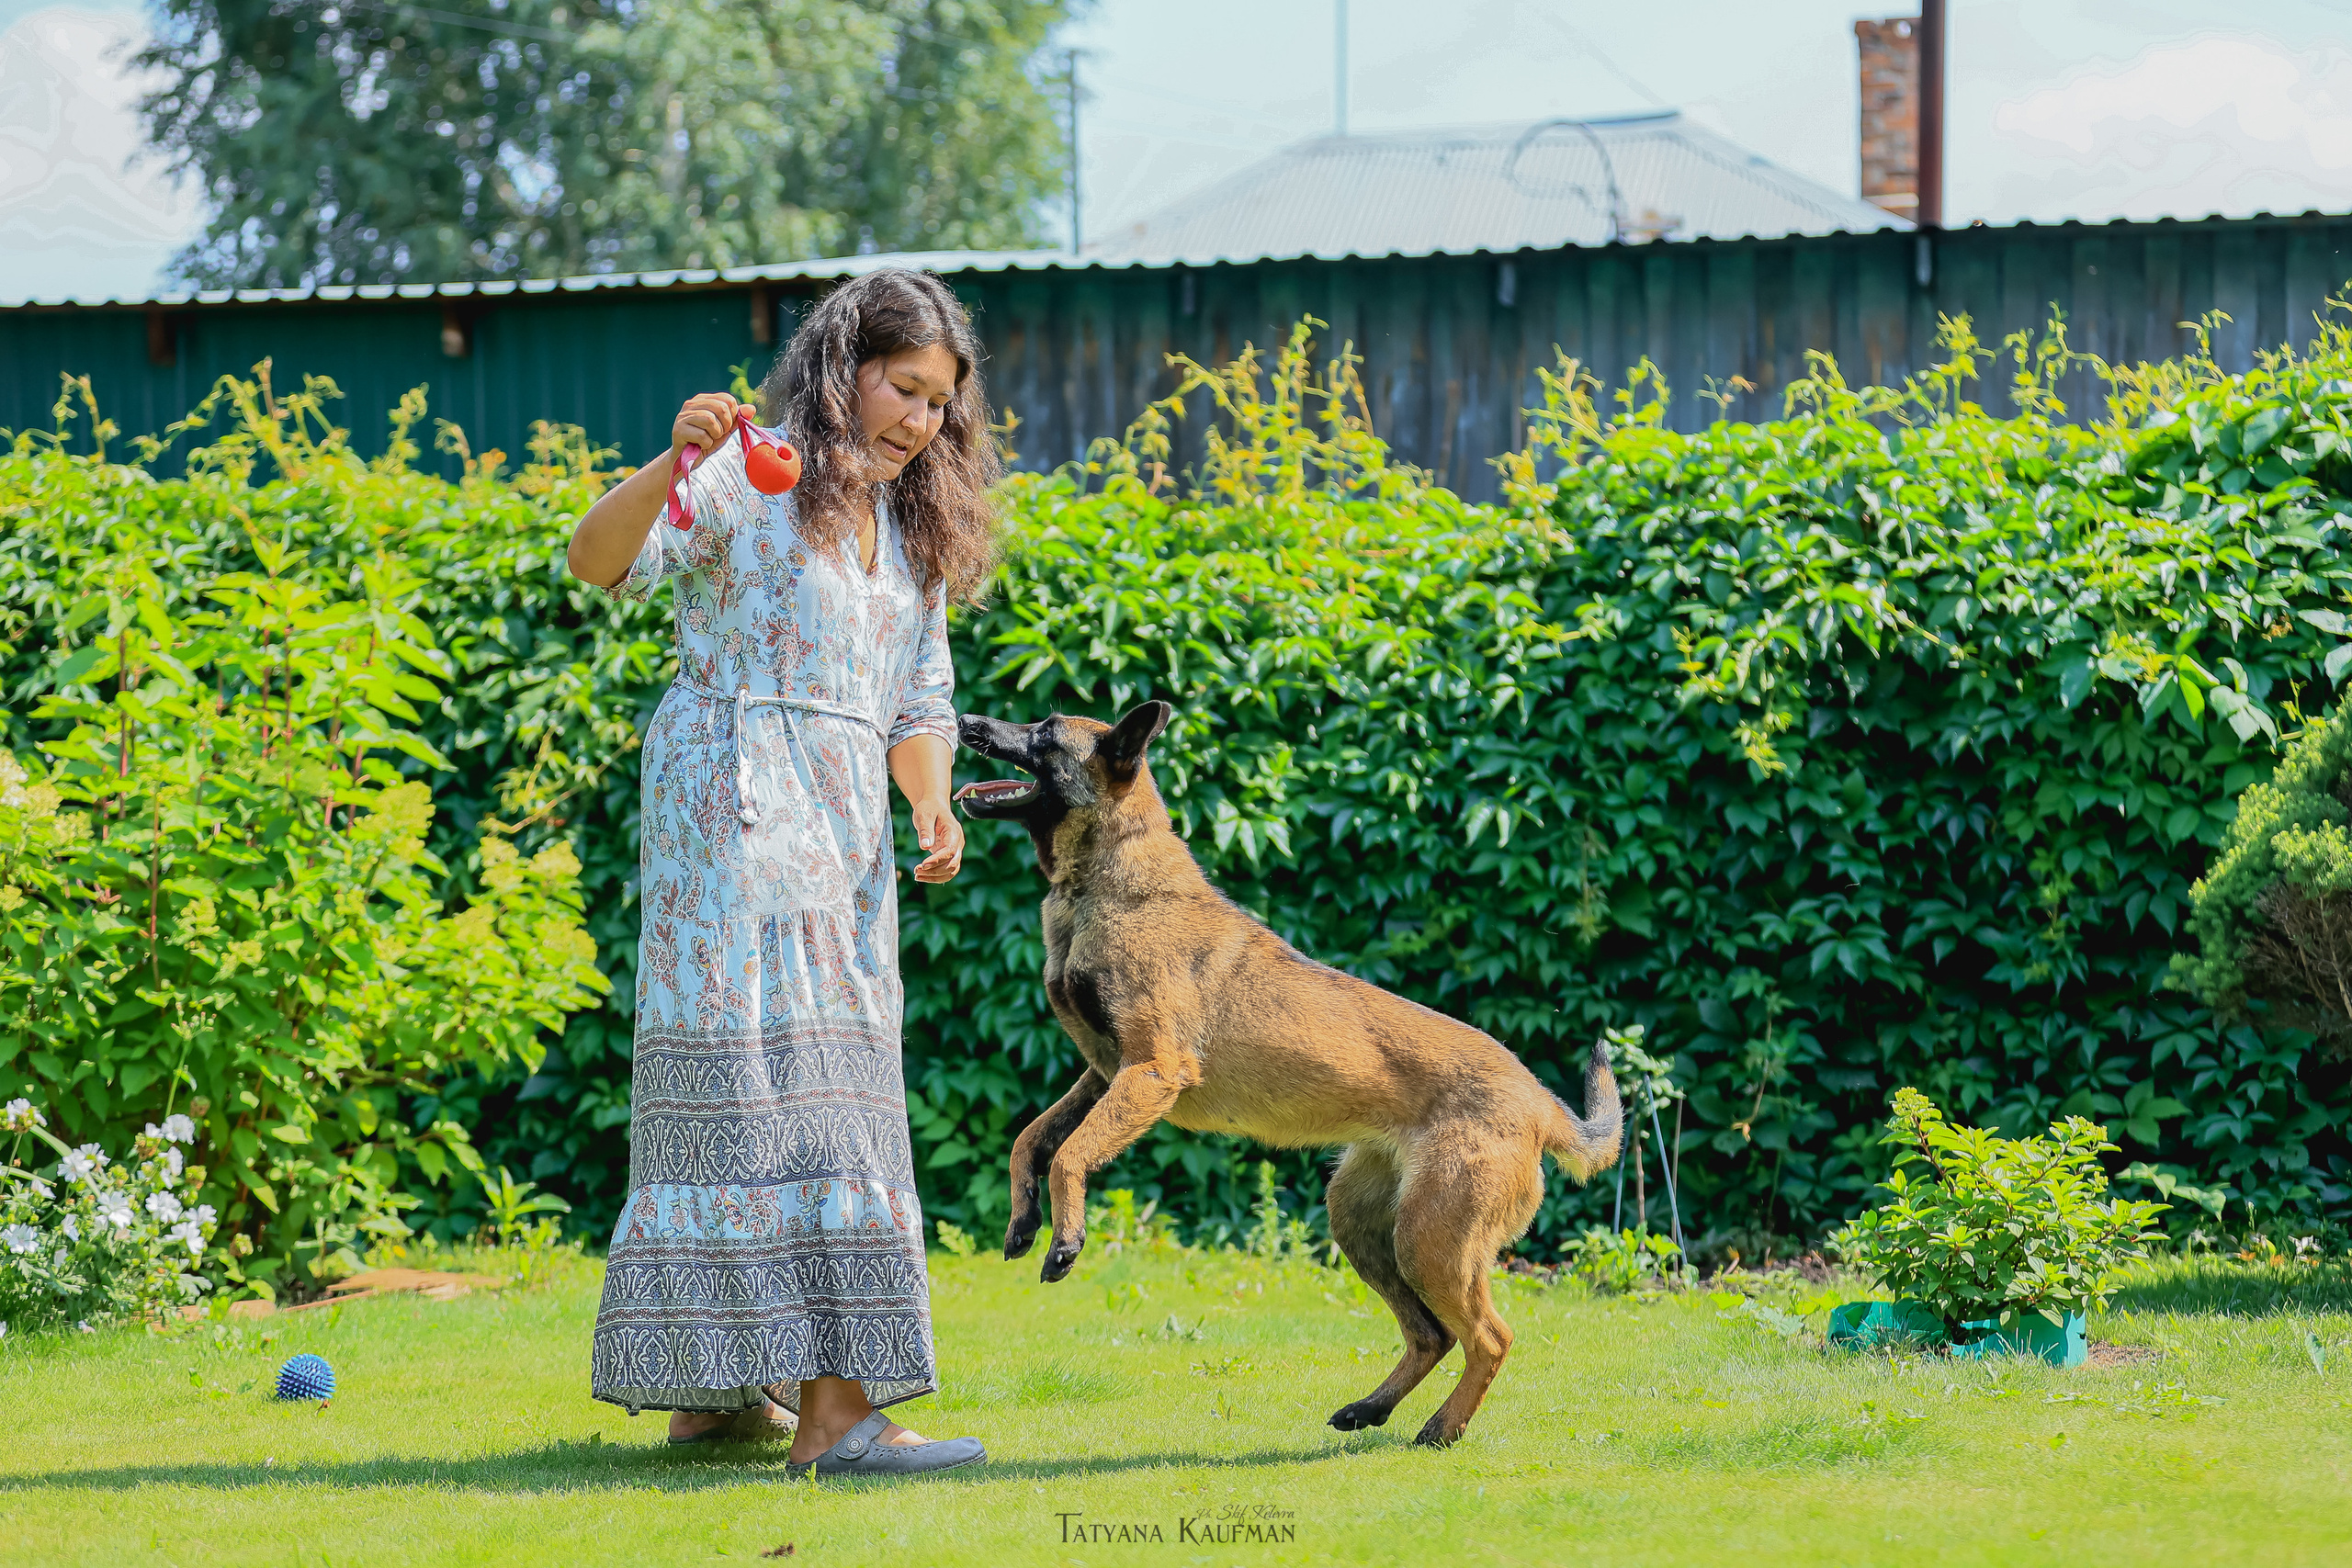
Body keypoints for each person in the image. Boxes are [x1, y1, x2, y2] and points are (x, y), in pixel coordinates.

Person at [565, 267, 999, 1477]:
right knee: (788, 1089)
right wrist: (669, 461)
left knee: (768, 1088)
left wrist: (927, 803)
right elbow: (598, 562)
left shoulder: (910, 530)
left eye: (938, 403)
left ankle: (715, 1395)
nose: (919, 419)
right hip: (735, 806)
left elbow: (919, 696)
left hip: (848, 826)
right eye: (902, 388)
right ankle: (838, 1415)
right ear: (841, 365)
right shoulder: (750, 475)